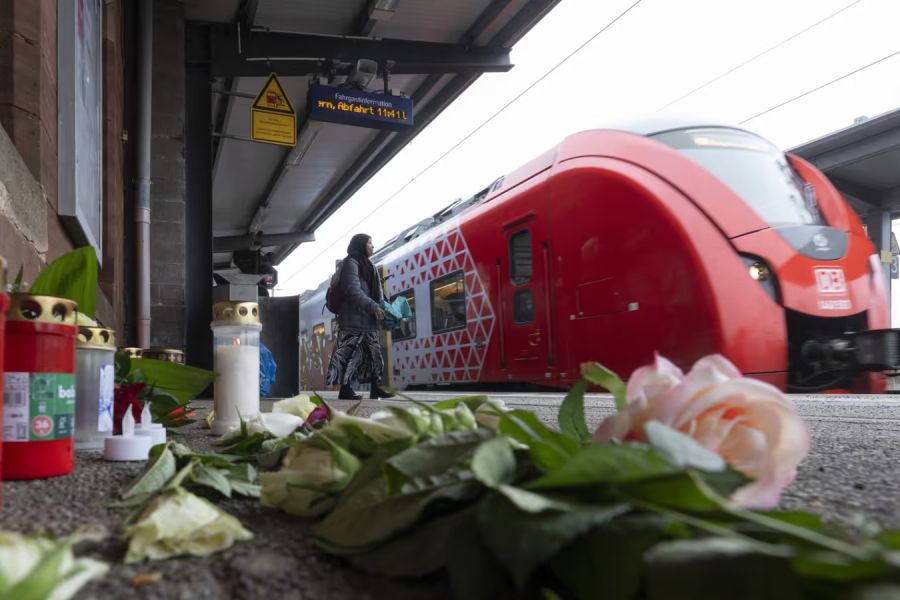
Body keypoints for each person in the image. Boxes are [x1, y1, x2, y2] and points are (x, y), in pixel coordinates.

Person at [326, 233, 395, 400]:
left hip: (367, 321)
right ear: (360, 245)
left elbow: (369, 290)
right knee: (348, 354)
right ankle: (345, 389)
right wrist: (373, 306)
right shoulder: (351, 263)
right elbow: (352, 290)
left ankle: (376, 387)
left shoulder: (367, 265)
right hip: (352, 320)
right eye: (369, 243)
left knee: (374, 356)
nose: (372, 246)